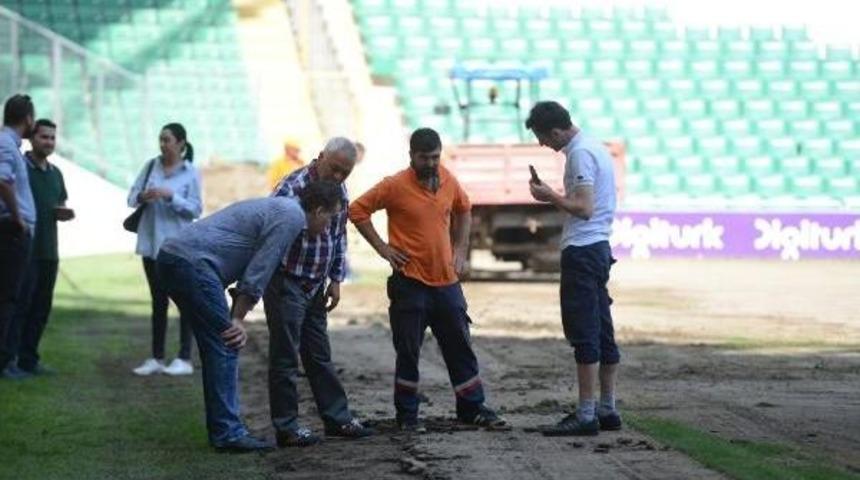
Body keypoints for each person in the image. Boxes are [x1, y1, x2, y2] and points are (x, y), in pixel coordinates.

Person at [156, 181, 343, 452]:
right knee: (226, 343)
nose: (329, 226)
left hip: (177, 259)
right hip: (191, 263)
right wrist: (237, 320)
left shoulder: (282, 209)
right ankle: (228, 434)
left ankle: (224, 429)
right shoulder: (291, 217)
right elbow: (260, 269)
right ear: (316, 210)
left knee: (217, 345)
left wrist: (235, 314)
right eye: (330, 217)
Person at [349, 128, 506, 432]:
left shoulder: (448, 179)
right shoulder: (394, 185)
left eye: (435, 157)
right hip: (410, 283)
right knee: (408, 351)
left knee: (460, 346)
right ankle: (407, 416)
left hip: (447, 284)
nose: (432, 163)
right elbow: (357, 210)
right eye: (425, 158)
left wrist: (460, 249)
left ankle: (472, 408)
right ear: (412, 157)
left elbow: (464, 208)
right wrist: (383, 248)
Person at [264, 137, 372, 447]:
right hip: (287, 282)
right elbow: (272, 236)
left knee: (319, 356)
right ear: (321, 156)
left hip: (315, 287)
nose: (338, 177)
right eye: (335, 169)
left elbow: (338, 238)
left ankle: (337, 419)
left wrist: (336, 279)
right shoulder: (292, 188)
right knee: (285, 358)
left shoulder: (339, 190)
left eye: (345, 173)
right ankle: (287, 427)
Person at [525, 101, 621, 436]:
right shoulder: (595, 146)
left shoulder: (580, 153)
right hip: (598, 248)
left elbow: (583, 208)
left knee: (584, 330)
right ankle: (607, 408)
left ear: (554, 131)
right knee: (602, 327)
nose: (543, 145)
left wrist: (550, 196)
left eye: (542, 137)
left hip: (583, 249)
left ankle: (585, 414)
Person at [127, 123, 202, 376]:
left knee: (183, 301)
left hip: (177, 247)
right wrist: (143, 196)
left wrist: (171, 196)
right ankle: (156, 357)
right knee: (157, 301)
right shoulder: (150, 166)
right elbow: (131, 198)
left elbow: (195, 209)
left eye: (167, 140)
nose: (163, 144)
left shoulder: (191, 172)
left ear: (181, 143)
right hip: (150, 244)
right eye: (160, 139)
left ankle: (184, 358)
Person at [14, 119, 74, 375]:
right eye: (44, 137)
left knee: (40, 309)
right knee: (19, 308)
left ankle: (29, 360)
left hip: (49, 252)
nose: (48, 142)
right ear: (31, 138)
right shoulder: (20, 168)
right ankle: (10, 360)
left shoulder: (56, 173)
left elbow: (58, 203)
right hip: (23, 251)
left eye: (52, 138)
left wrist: (63, 213)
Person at [0, 94, 37, 380]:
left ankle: (9, 359)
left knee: (15, 297)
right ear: (28, 119)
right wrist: (19, 218)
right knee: (9, 298)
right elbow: (3, 180)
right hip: (11, 231)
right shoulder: (4, 143)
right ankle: (4, 363)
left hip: (14, 230)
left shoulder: (10, 144)